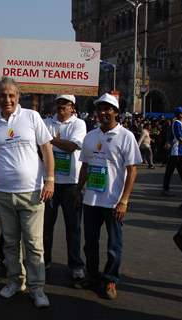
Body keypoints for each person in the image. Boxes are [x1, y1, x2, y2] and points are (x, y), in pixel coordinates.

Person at [0, 76, 55, 308]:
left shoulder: (31, 117)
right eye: (3, 95)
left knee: (34, 243)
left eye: (11, 95)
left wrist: (50, 180)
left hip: (33, 192)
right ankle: (15, 281)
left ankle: (37, 288)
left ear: (18, 96)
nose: (7, 99)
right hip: (3, 192)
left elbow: (46, 149)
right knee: (11, 243)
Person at [75, 93, 142, 300]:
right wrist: (79, 191)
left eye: (108, 109)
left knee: (114, 245)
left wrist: (124, 200)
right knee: (90, 242)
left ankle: (110, 279)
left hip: (113, 201)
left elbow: (132, 171)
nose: (103, 113)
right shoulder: (90, 136)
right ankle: (92, 275)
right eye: (100, 109)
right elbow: (85, 166)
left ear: (116, 112)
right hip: (91, 199)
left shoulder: (126, 136)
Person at [43, 94, 86, 281]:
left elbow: (72, 147)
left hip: (72, 184)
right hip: (49, 182)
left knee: (73, 227)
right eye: (58, 104)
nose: (61, 107)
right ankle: (44, 261)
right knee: (45, 226)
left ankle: (76, 264)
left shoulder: (79, 124)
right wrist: (52, 141)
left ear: (72, 108)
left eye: (65, 105)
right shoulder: (46, 122)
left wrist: (50, 140)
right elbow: (39, 146)